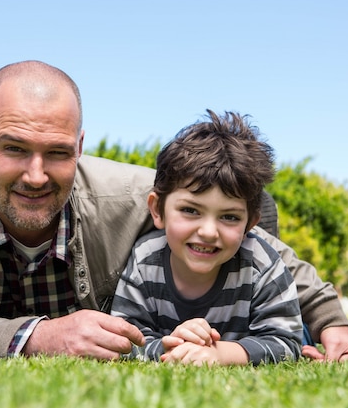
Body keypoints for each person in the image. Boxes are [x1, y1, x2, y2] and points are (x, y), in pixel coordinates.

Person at [0, 60, 348, 361]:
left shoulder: (134, 196)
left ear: (78, 147)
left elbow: (252, 211)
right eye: (14, 148)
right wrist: (41, 338)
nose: (36, 174)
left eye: (56, 152)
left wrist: (330, 321)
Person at [111, 110, 303, 366]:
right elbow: (125, 340)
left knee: (307, 337)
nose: (209, 232)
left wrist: (222, 354)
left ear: (250, 224)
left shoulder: (261, 265)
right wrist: (171, 345)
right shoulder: (145, 260)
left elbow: (287, 343)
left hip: (263, 334)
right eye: (190, 210)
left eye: (230, 217)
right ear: (157, 210)